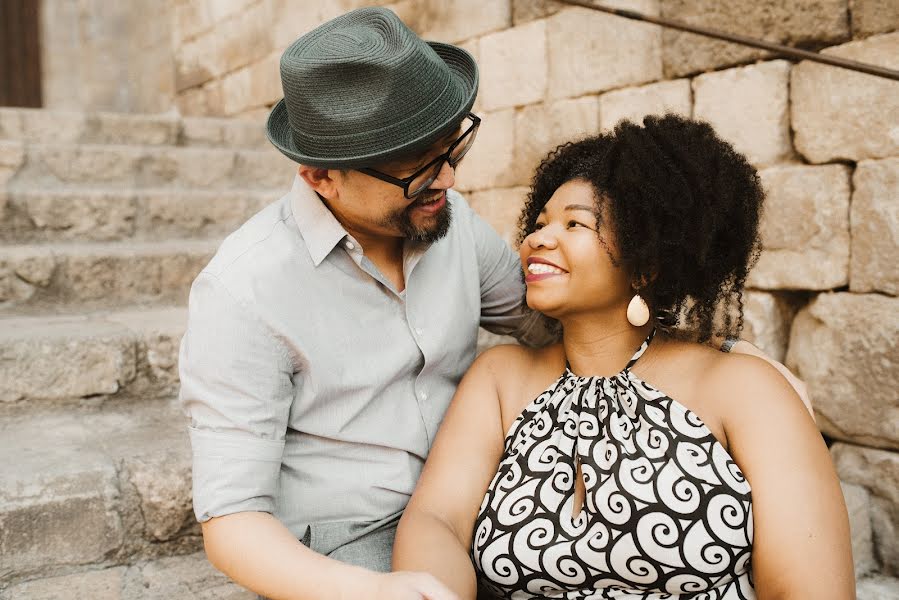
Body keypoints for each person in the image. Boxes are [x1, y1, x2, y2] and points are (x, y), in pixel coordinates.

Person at [179, 7, 812, 600]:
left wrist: (731, 361)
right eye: (417, 169)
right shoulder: (244, 292)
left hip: (485, 506)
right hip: (348, 555)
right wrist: (381, 591)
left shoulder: (450, 224)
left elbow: (567, 315)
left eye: (452, 150)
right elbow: (233, 520)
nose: (449, 181)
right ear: (321, 176)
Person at [392, 116, 854, 599]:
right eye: (540, 222)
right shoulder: (499, 378)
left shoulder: (743, 388)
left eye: (575, 223)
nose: (537, 240)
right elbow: (436, 519)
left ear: (647, 264)